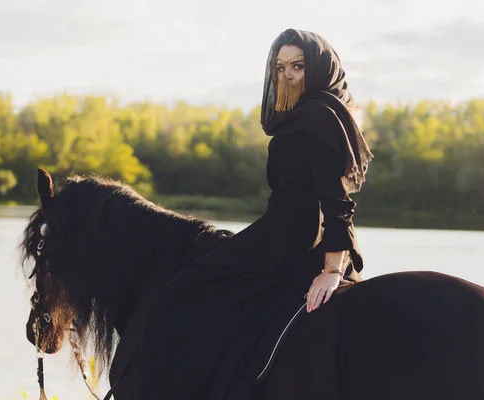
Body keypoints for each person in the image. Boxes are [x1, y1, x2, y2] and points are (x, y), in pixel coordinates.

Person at [127, 28, 373, 400]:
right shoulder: (309, 116)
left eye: (298, 66)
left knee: (174, 298)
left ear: (319, 69)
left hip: (287, 238)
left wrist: (332, 270)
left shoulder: (318, 116)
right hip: (282, 231)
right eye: (280, 67)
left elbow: (336, 200)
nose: (287, 75)